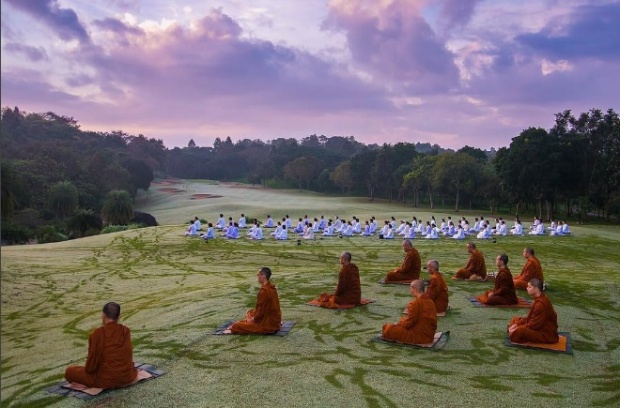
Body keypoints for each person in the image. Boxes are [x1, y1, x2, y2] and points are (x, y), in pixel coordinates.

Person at [65, 302, 138, 388]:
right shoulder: (126, 331)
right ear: (118, 316)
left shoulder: (97, 334)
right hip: (128, 377)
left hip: (105, 380)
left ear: (103, 315)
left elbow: (91, 368)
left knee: (70, 371)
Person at [382, 279, 437, 344]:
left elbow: (408, 324)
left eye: (411, 288)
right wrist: (402, 321)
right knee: (399, 322)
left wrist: (400, 323)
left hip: (419, 337)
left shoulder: (415, 303)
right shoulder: (430, 301)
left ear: (414, 289)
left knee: (389, 329)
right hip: (429, 336)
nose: (410, 291)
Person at [230, 267, 282, 334]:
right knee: (250, 312)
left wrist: (254, 319)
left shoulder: (265, 291)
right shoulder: (271, 288)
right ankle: (251, 321)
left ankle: (250, 322)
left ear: (263, 275)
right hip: (275, 320)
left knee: (235, 326)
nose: (257, 276)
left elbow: (261, 311)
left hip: (268, 324)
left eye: (258, 274)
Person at [508, 278, 558, 344]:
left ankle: (514, 332)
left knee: (519, 331)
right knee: (515, 320)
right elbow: (530, 318)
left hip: (546, 334)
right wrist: (517, 324)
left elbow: (533, 325)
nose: (527, 288)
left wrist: (517, 327)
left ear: (536, 289)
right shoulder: (540, 298)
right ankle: (514, 330)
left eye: (529, 287)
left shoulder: (540, 304)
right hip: (537, 326)